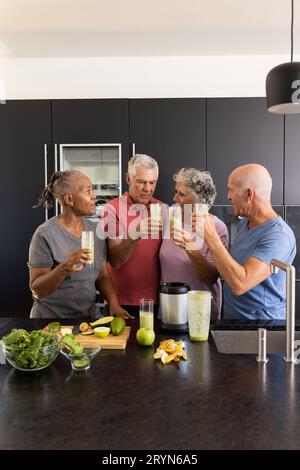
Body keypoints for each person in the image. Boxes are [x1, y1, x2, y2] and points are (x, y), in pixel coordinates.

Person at [192, 163, 296, 320]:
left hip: (260, 327)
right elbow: (228, 270)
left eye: (231, 190)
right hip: (233, 322)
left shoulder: (279, 236)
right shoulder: (244, 224)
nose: (228, 196)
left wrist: (212, 239)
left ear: (249, 194)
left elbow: (240, 284)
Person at [28, 170, 131, 320]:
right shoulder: (44, 234)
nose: (94, 196)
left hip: (87, 320)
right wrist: (65, 267)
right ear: (69, 199)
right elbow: (37, 290)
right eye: (88, 191)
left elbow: (103, 276)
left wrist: (113, 303)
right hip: (50, 323)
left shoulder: (95, 231)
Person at [159, 168, 228, 319]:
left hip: (200, 312)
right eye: (175, 191)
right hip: (169, 309)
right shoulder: (170, 221)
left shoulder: (217, 227)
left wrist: (190, 247)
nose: (174, 198)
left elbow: (211, 277)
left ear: (200, 199)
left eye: (181, 194)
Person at [100, 154, 162, 316]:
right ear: (128, 179)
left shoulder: (162, 209)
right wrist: (135, 234)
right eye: (141, 182)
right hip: (121, 301)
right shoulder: (112, 209)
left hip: (158, 299)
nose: (147, 189)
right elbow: (115, 260)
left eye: (152, 183)